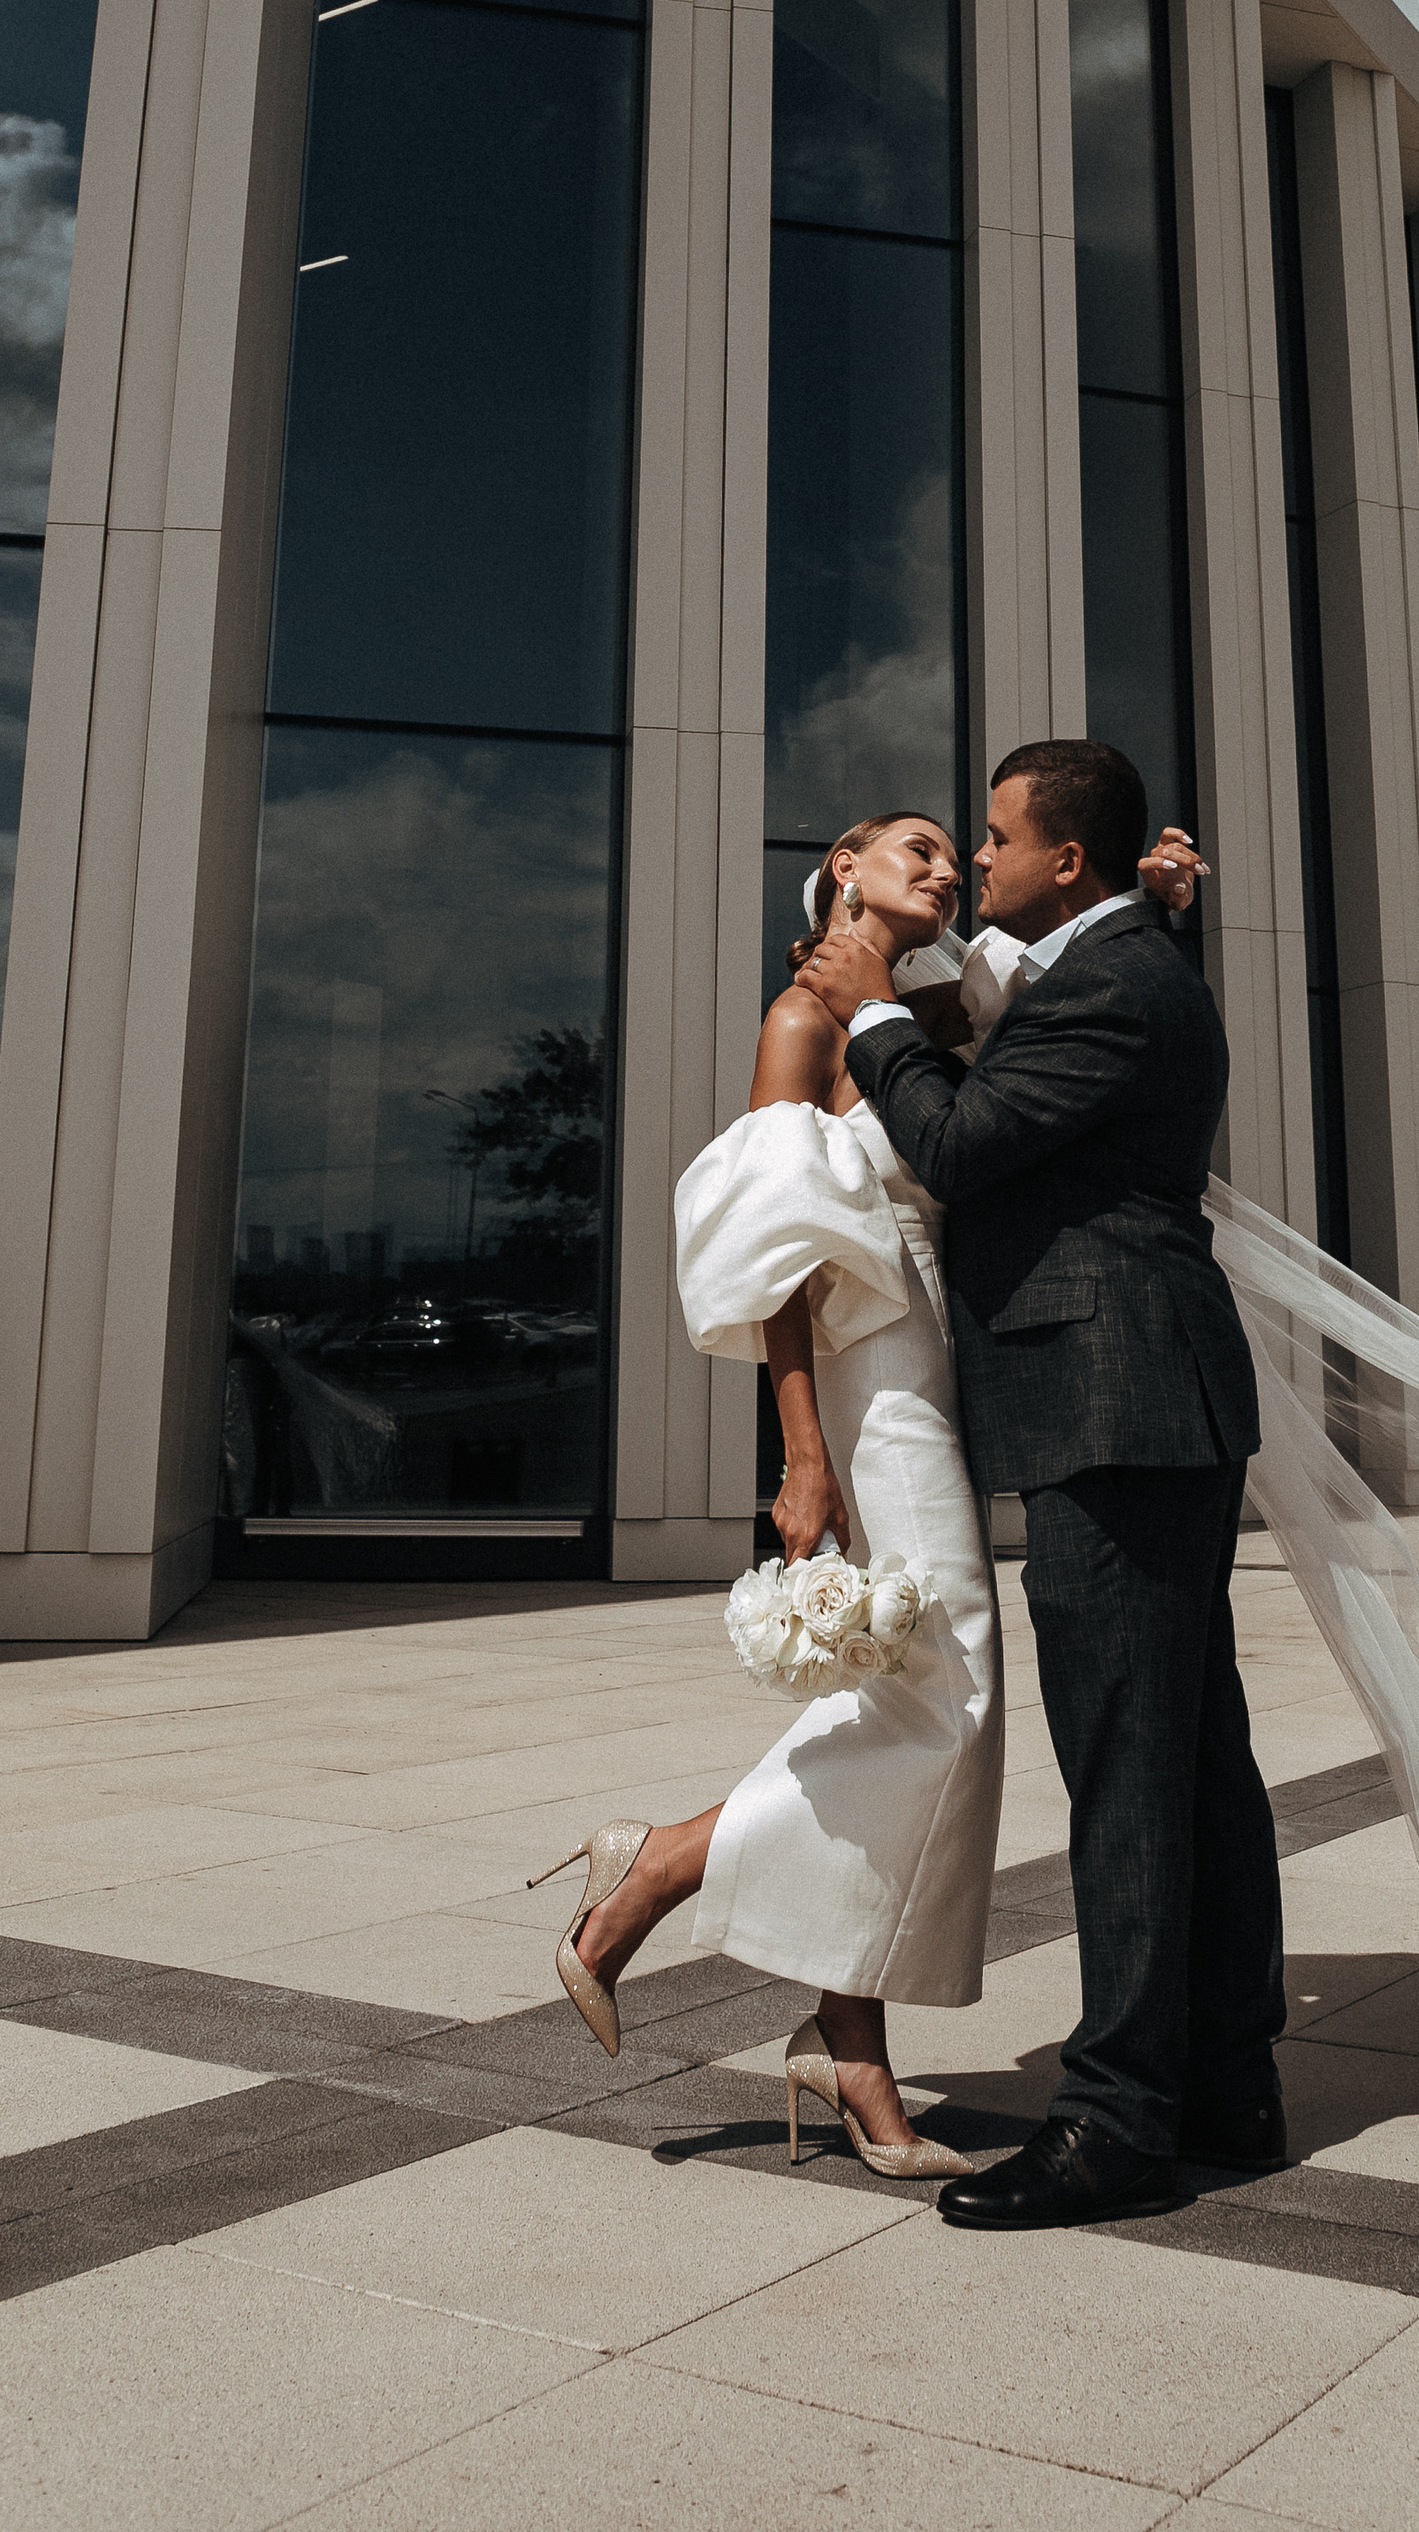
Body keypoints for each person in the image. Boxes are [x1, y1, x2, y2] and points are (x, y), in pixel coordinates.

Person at [528, 800, 1207, 2176]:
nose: (949, 863)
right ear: (842, 868)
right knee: (947, 1687)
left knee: (901, 1691)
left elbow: (1060, 989)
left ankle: (847, 2043)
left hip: (938, 1370)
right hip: (872, 1377)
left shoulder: (940, 1006)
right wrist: (801, 1453)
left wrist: (1149, 889)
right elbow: (771, 1254)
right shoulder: (803, 1018)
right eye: (918, 844)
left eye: (961, 849)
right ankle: (660, 1862)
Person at [797, 740, 1283, 2229]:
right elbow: (1007, 975)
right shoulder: (1114, 957)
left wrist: (869, 1008)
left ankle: (1120, 2119)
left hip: (1113, 1400)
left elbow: (955, 1135)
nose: (980, 868)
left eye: (998, 839)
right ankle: (1220, 2082)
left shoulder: (1116, 983)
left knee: (1133, 1771)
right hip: (1138, 1399)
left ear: (1061, 859)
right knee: (1190, 1756)